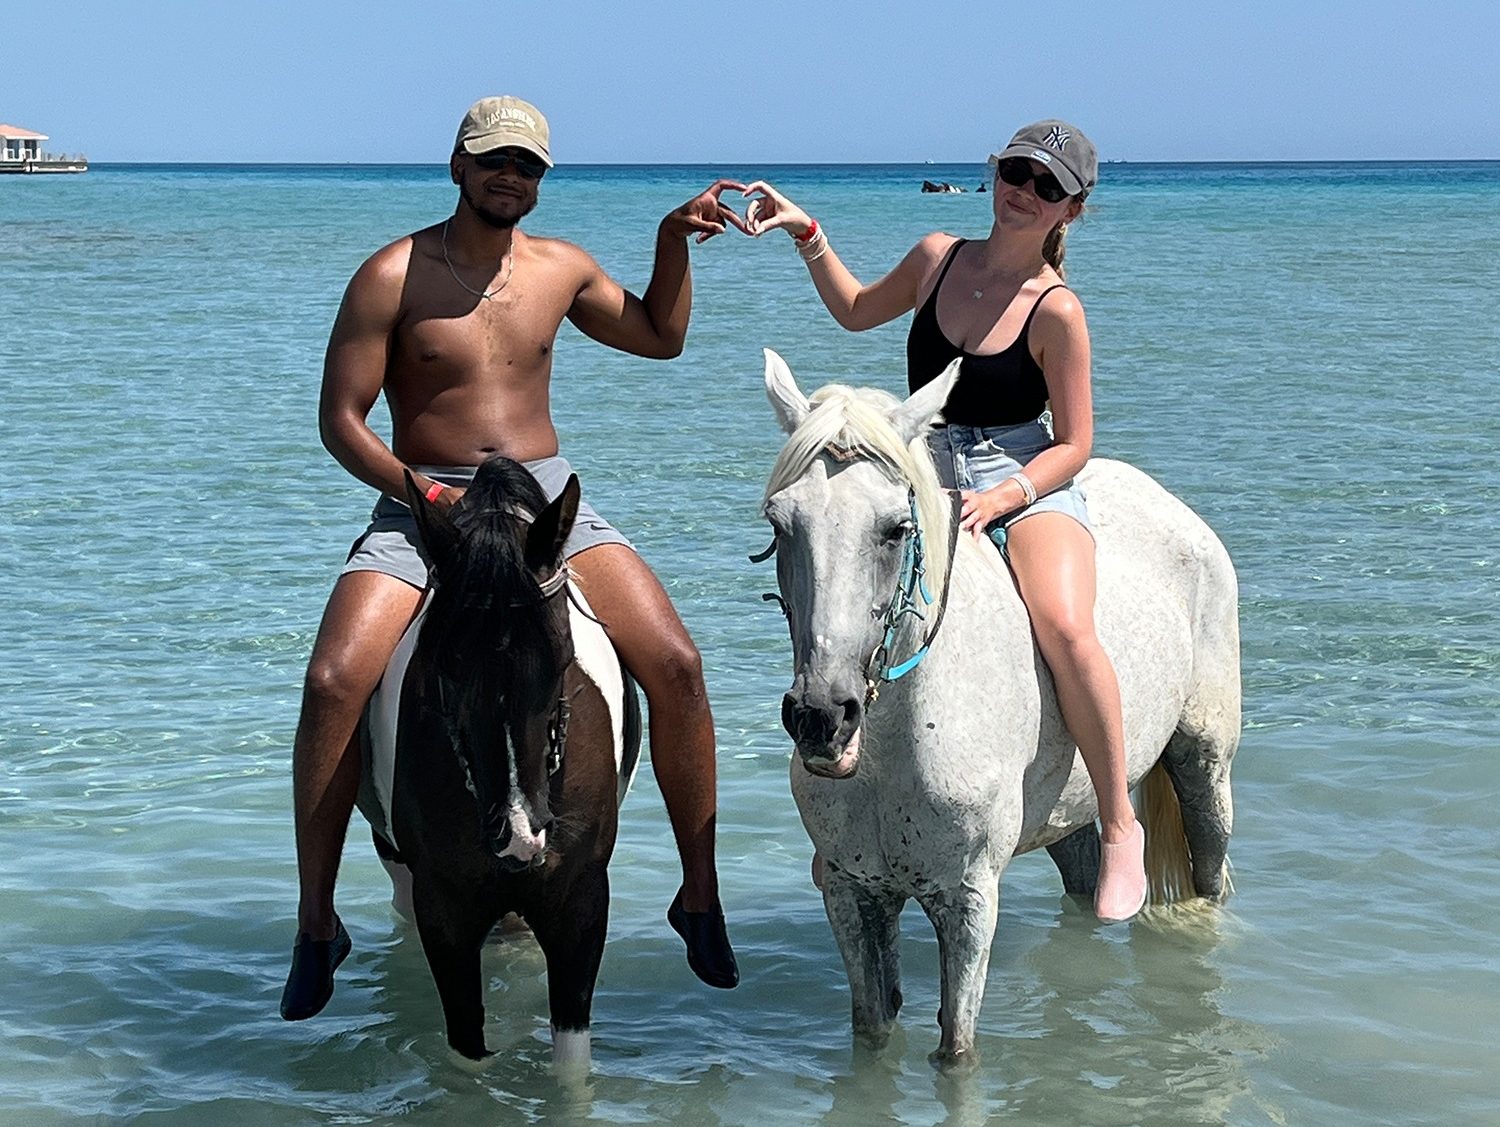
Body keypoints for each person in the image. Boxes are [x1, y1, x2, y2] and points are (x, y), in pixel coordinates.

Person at [281, 96, 748, 1021]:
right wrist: (422, 491)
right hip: (427, 503)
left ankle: (698, 893)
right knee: (336, 680)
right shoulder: (392, 273)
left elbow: (662, 337)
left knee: (678, 664)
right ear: (457, 164)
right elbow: (341, 420)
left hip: (543, 503)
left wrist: (671, 241)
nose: (512, 178)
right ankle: (315, 922)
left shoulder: (561, 269)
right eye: (495, 160)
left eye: (529, 166)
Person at [741, 120, 1148, 923]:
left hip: (1018, 472)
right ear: (996, 175)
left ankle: (1120, 823)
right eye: (1018, 174)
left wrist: (1007, 498)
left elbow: (1077, 442)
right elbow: (857, 309)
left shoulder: (1057, 310)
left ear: (1071, 210)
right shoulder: (938, 257)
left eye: (1047, 187)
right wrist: (807, 232)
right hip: (919, 460)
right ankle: (848, 822)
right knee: (848, 601)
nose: (1025, 193)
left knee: (1065, 625)